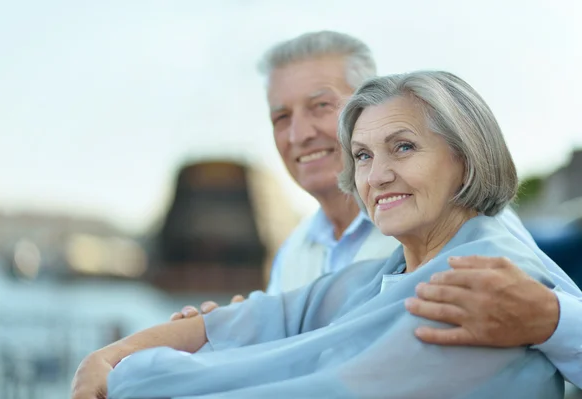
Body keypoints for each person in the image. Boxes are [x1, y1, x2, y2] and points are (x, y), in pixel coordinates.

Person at [73, 71, 566, 399]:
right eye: (364, 156)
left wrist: (134, 374)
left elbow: (335, 388)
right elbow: (256, 317)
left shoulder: (485, 277)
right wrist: (107, 355)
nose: (377, 176)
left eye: (403, 147)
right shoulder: (383, 275)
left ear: (465, 158)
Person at [169, 31, 582, 387]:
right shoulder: (296, 252)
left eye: (320, 106)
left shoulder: (469, 229)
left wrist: (550, 318)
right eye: (281, 117)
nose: (299, 134)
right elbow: (292, 359)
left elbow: (536, 312)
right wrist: (220, 342)